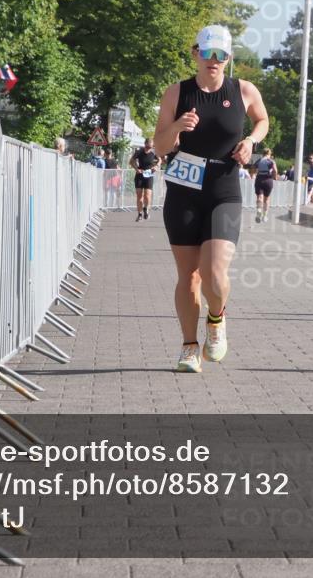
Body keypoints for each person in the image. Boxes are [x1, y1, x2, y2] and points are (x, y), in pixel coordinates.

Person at [153, 25, 269, 373]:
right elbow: (159, 146)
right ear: (195, 54)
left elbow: (262, 120)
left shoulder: (243, 90)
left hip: (224, 188)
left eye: (221, 55)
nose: (214, 61)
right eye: (208, 54)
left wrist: (251, 141)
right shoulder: (176, 94)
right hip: (184, 191)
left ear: (228, 58)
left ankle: (216, 321)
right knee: (189, 276)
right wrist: (176, 128)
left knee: (214, 273)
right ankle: (190, 348)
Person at [130, 138, 159, 221]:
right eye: (147, 147)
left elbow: (160, 160)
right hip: (139, 175)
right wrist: (136, 169)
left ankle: (146, 209)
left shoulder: (154, 153)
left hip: (149, 175)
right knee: (139, 196)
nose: (149, 148)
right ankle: (139, 214)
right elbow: (131, 161)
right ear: (145, 144)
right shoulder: (139, 152)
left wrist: (156, 166)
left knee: (147, 195)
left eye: (150, 147)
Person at [253, 148, 278, 223]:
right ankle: (265, 216)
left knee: (259, 197)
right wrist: (275, 177)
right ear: (269, 154)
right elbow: (275, 170)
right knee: (266, 199)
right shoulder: (271, 161)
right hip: (268, 180)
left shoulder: (259, 160)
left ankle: (259, 211)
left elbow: (253, 168)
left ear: (262, 153)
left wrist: (254, 173)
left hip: (259, 179)